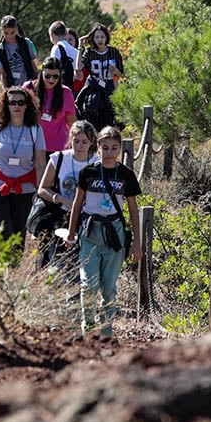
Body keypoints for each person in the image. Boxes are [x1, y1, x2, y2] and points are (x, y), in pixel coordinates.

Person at [65, 126, 142, 336]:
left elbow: (133, 209)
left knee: (109, 287)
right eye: (105, 147)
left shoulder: (126, 175)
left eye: (114, 148)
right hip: (90, 232)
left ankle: (106, 332)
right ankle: (88, 324)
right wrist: (71, 234)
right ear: (97, 147)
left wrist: (136, 242)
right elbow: (77, 203)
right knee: (88, 284)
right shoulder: (88, 173)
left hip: (115, 233)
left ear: (120, 149)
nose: (110, 152)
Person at [0, 86, 46, 252]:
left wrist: (40, 189)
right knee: (0, 229)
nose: (16, 106)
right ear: (5, 105)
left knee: (17, 235)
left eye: (21, 102)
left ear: (27, 105)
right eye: (12, 102)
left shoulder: (36, 130)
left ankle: (13, 273)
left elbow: (40, 163)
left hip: (25, 189)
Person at [33, 120, 96, 271]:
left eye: (84, 142)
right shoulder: (58, 158)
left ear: (91, 142)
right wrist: (60, 199)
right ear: (70, 140)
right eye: (76, 141)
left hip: (86, 217)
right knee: (55, 260)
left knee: (80, 260)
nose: (80, 146)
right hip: (59, 216)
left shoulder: (96, 162)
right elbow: (43, 189)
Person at [22, 57, 76, 153]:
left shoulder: (66, 92)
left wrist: (74, 143)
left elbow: (71, 122)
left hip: (58, 147)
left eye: (55, 76)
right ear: (41, 73)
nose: (51, 79)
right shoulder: (28, 88)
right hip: (32, 145)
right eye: (47, 76)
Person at [0, 14, 37, 96]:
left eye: (12, 33)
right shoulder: (0, 51)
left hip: (29, 86)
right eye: (6, 33)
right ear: (1, 31)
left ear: (16, 29)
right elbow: (2, 74)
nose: (9, 36)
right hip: (11, 89)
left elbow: (33, 64)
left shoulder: (26, 43)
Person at [77, 22, 125, 93]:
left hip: (110, 87)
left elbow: (122, 74)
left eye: (102, 37)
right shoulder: (90, 52)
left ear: (106, 38)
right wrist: (80, 46)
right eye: (97, 37)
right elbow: (78, 67)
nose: (100, 40)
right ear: (93, 39)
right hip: (94, 88)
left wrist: (115, 71)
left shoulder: (114, 52)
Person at [48, 20, 79, 91]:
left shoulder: (56, 48)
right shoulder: (75, 51)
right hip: (72, 87)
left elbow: (52, 68)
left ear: (52, 35)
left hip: (59, 87)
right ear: (65, 33)